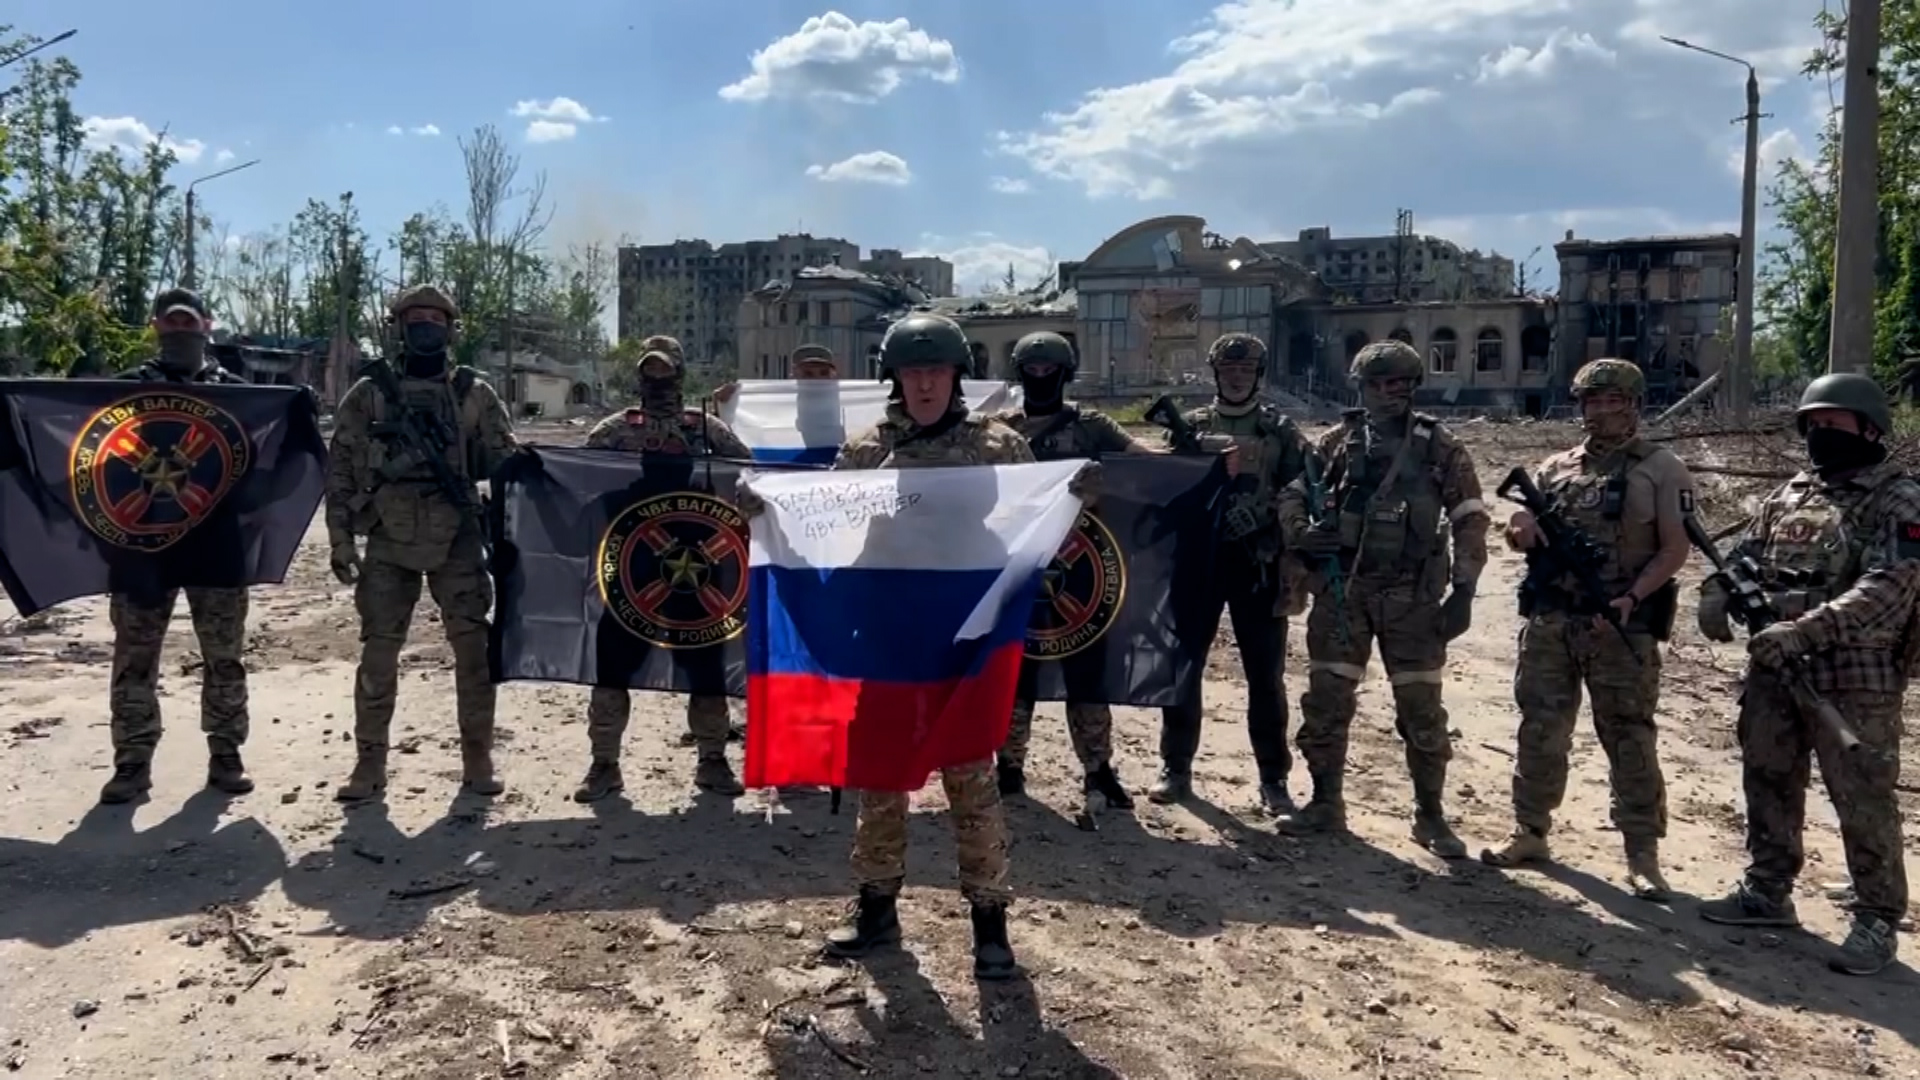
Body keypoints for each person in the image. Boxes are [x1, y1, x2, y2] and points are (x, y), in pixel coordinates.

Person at [810, 313, 1058, 982]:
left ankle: (989, 923)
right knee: (881, 775)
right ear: (894, 378)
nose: (924, 384)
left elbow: (1043, 517)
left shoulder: (997, 446)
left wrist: (1077, 499)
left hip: (965, 637)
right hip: (888, 635)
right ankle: (876, 908)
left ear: (956, 376)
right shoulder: (866, 449)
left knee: (971, 777)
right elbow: (824, 520)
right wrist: (769, 509)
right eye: (913, 372)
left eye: (936, 371)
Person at [1696, 372, 1918, 976]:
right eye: (1812, 425)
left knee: (1863, 795)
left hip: (1855, 677)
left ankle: (1876, 917)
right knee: (1767, 774)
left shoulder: (1897, 498)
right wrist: (1716, 590)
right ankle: (1769, 889)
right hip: (1774, 669)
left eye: (1834, 423)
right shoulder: (1793, 493)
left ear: (1869, 428)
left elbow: (1889, 587)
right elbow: (1745, 554)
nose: (1821, 434)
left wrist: (1805, 630)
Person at [1480, 359, 1691, 899]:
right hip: (1553, 619)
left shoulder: (1661, 468)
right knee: (1541, 729)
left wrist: (1632, 596)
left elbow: (1674, 548)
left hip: (1620, 622)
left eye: (1613, 401)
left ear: (1635, 405)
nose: (1601, 412)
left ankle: (1642, 852)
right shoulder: (1554, 468)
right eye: (1592, 402)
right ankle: (1530, 830)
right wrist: (1519, 529)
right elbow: (1519, 534)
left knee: (1629, 737)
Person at [1275, 340, 1487, 856]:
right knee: (1326, 702)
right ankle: (1325, 802)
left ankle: (1431, 815)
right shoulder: (1334, 443)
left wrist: (1464, 592)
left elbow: (1470, 517)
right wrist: (1303, 533)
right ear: (1362, 388)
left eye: (1399, 384)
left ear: (1414, 387)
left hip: (1412, 595)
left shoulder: (1440, 446)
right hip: (1344, 591)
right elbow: (1293, 494)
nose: (1389, 393)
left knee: (1421, 708)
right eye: (1378, 384)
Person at [324, 285, 519, 802]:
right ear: (399, 327)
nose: (426, 326)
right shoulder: (369, 394)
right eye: (416, 318)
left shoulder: (475, 394)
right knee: (380, 654)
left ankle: (477, 759)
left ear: (451, 329)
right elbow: (340, 469)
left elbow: (508, 465)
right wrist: (341, 541)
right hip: (389, 538)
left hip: (456, 535)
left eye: (436, 318)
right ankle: (369, 765)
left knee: (473, 652)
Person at [574, 334, 755, 803]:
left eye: (665, 371)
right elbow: (576, 482)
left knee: (706, 667)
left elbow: (752, 475)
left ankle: (713, 760)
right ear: (638, 376)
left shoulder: (707, 428)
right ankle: (604, 765)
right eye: (648, 372)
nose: (657, 380)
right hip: (630, 569)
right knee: (612, 665)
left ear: (679, 373)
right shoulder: (614, 430)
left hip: (700, 568)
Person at [989, 330, 1159, 809]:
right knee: (1013, 671)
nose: (1041, 377)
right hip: (1018, 569)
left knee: (1088, 672)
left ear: (1065, 373)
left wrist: (1204, 460)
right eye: (1033, 370)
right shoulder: (999, 432)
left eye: (1050, 370)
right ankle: (1009, 767)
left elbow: (1147, 469)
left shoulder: (1092, 427)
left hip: (1085, 572)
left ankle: (1098, 769)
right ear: (1020, 373)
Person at [98, 287, 255, 805]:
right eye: (172, 324)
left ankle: (226, 754)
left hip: (216, 547)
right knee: (134, 659)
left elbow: (259, 466)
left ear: (208, 326)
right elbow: (94, 463)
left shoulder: (236, 394)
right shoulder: (123, 394)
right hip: (143, 547)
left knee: (225, 657)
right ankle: (132, 761)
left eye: (190, 324)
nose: (181, 333)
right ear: (156, 326)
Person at [1152, 332, 1311, 815]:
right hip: (1201, 563)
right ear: (1216, 373)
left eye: (1245, 370)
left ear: (1258, 374)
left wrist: (1266, 512)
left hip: (1257, 563)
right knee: (1183, 669)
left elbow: (1306, 484)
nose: (1237, 377)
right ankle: (1175, 768)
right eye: (1229, 370)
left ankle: (1273, 778)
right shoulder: (1193, 425)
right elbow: (1168, 488)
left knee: (1265, 677)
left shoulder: (1279, 430)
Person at [712, 344, 838, 407]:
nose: (817, 380)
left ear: (834, 378)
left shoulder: (845, 405)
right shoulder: (776, 405)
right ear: (793, 377)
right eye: (808, 374)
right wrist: (724, 405)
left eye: (824, 373)